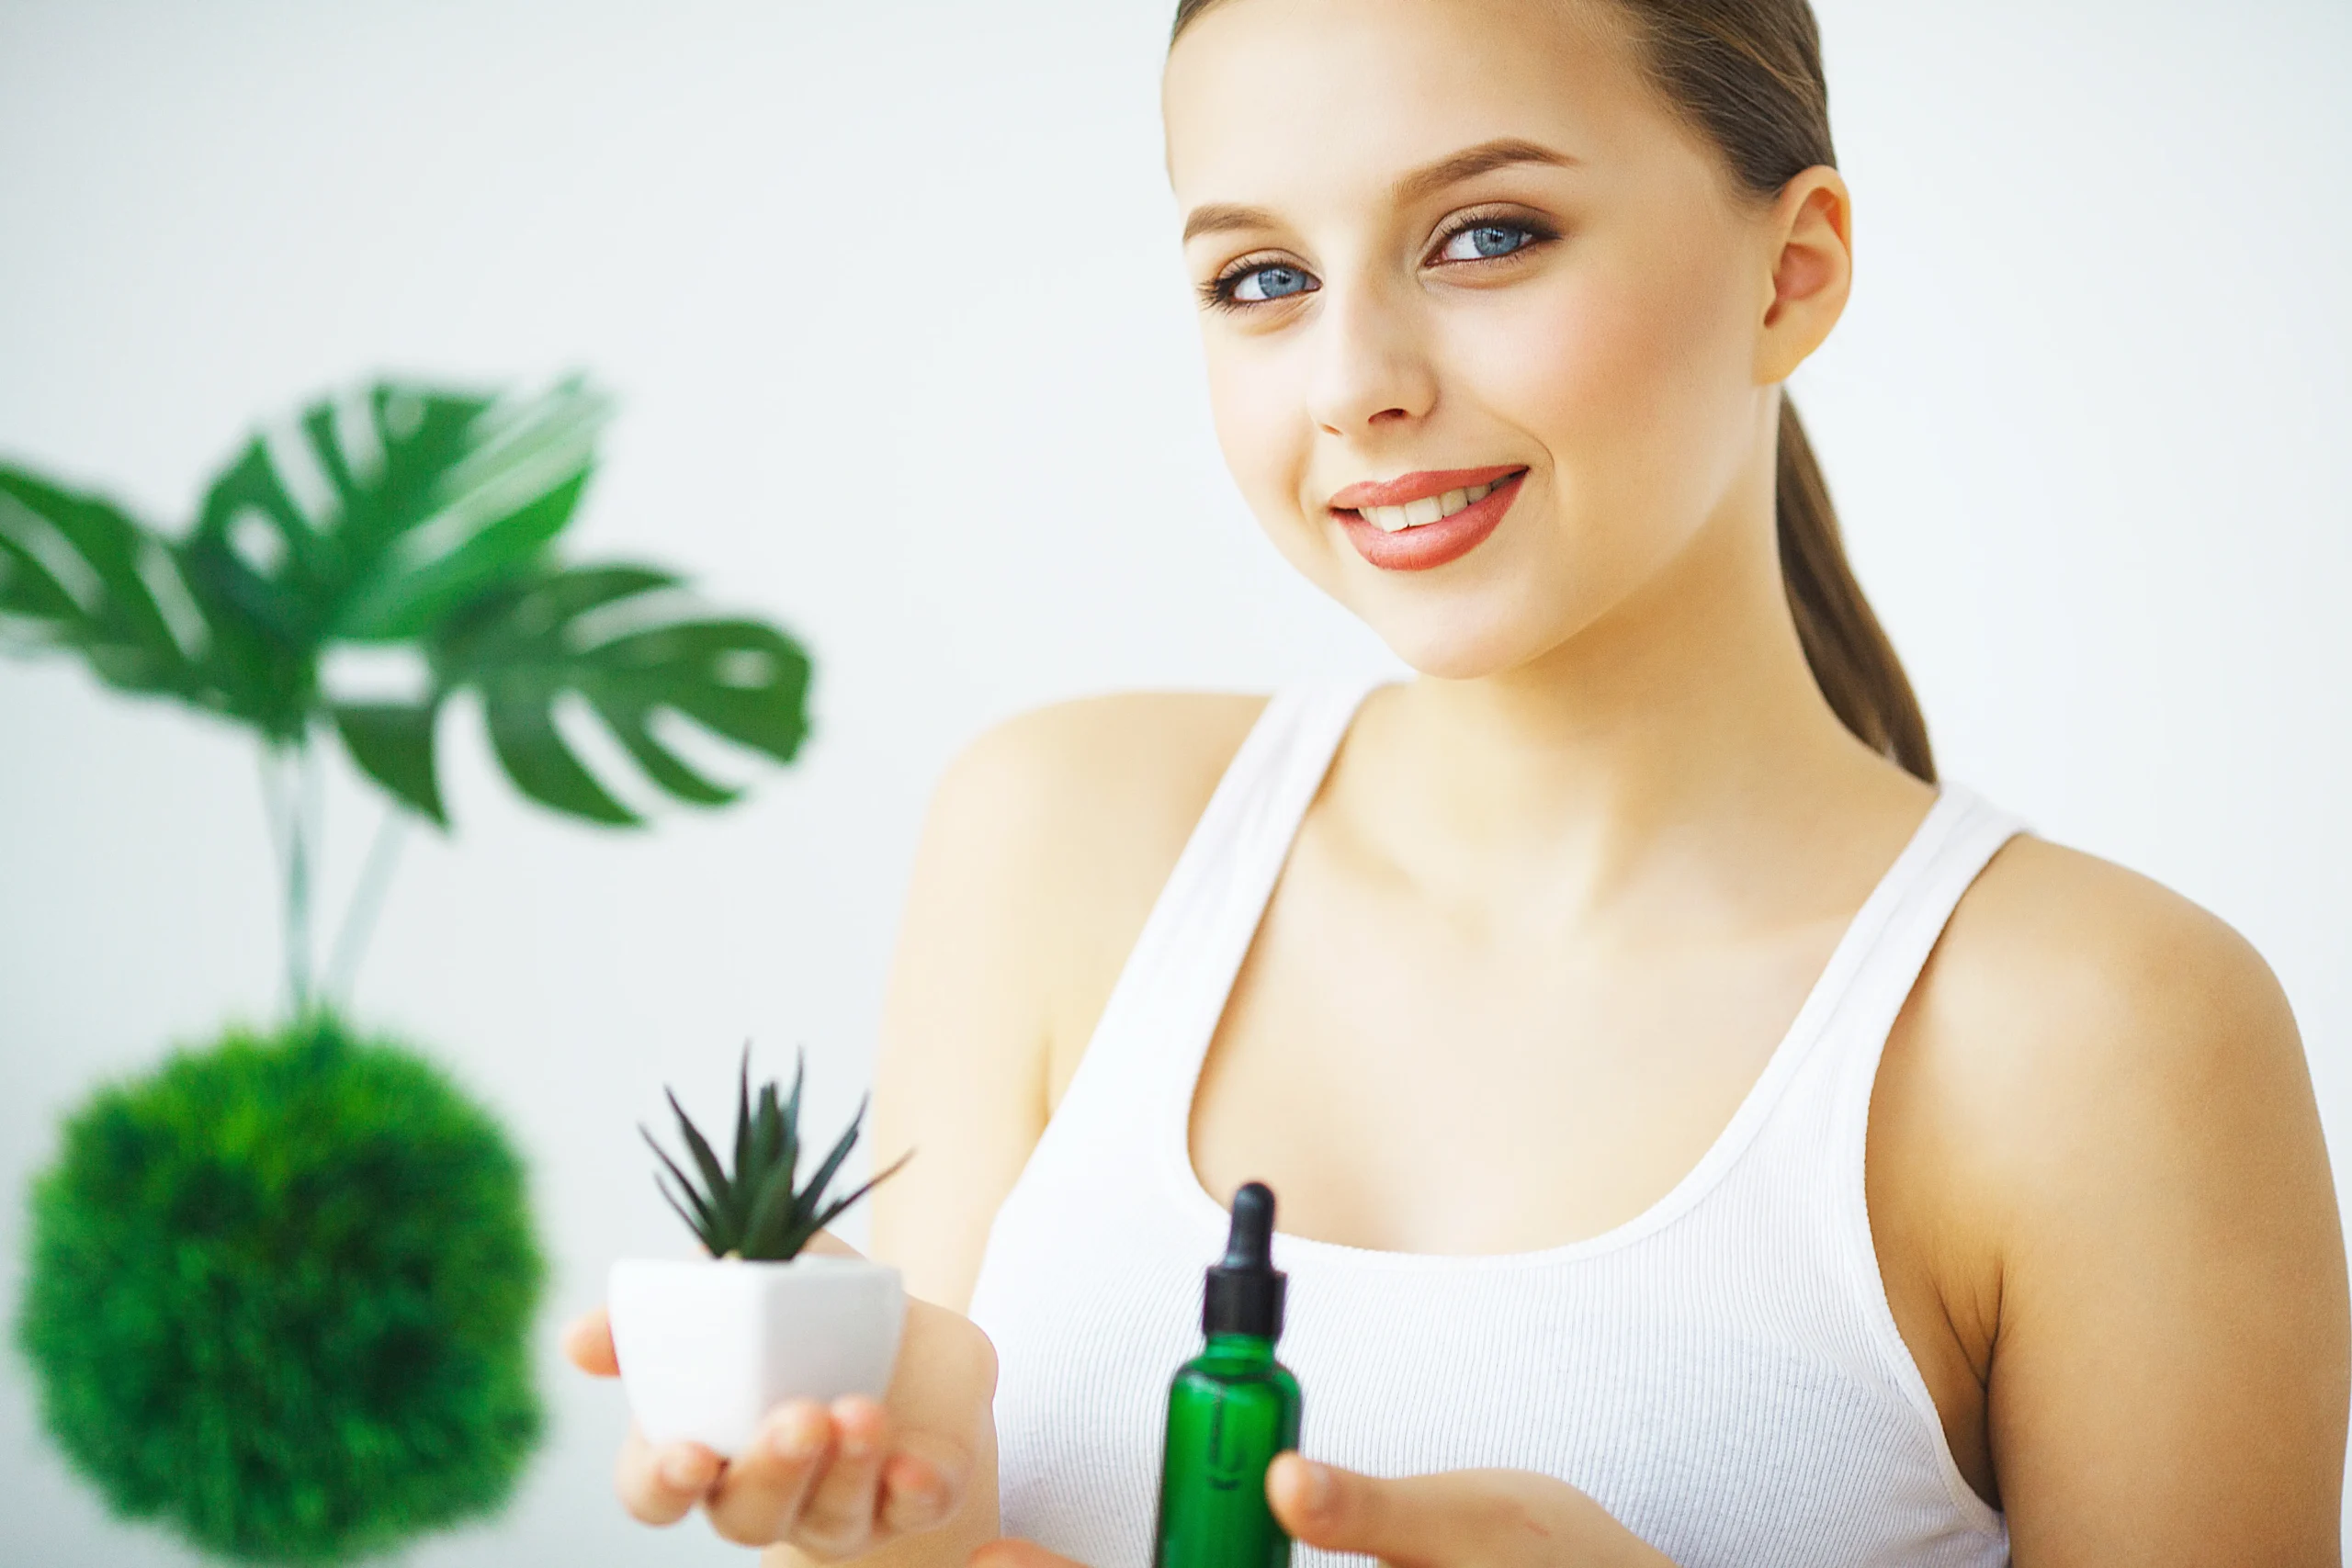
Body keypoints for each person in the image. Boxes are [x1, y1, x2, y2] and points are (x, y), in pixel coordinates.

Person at [563, 0, 2350, 1562]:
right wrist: (874, 1542)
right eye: (1258, 279)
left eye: (1486, 235)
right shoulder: (1056, 834)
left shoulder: (2096, 1033)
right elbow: (909, 1522)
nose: (1351, 386)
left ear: (1789, 269)